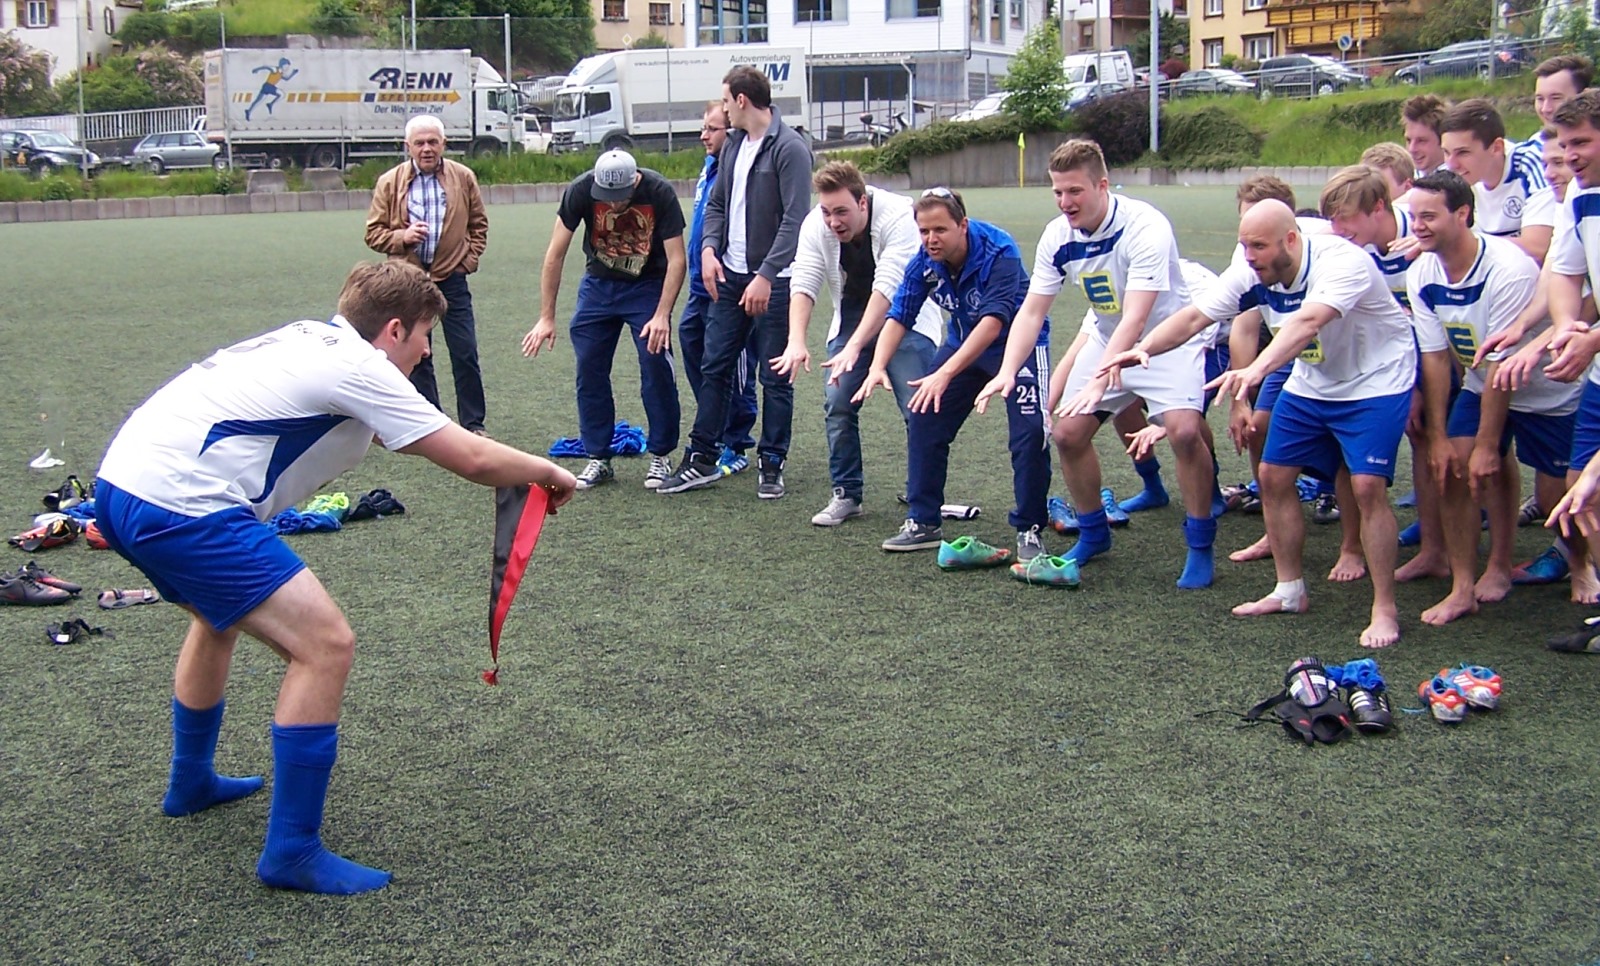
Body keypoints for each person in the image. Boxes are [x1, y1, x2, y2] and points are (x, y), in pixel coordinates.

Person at [92, 260, 577, 895]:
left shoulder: (311, 338)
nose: (427, 350)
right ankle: (291, 851)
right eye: (425, 335)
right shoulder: (361, 366)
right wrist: (549, 471)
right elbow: (473, 456)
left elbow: (388, 432)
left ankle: (191, 782)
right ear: (395, 329)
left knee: (216, 621)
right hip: (182, 507)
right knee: (325, 645)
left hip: (120, 486)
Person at [1203, 201, 1450, 648]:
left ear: (1290, 240)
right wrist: (1140, 349)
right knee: (1272, 475)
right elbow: (1195, 318)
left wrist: (1255, 370)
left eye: (1257, 245)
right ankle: (1289, 589)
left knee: (1368, 487)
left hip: (1376, 379)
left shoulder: (1343, 261)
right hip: (1315, 380)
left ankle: (1384, 608)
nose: (1249, 255)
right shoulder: (1253, 271)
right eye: (1244, 245)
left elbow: (1309, 322)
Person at [975, 139, 1214, 585]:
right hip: (1108, 338)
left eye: (1075, 191)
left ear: (1102, 185)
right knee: (1068, 433)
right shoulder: (1057, 235)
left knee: (1183, 431)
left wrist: (1099, 383)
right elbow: (1031, 311)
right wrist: (1007, 371)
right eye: (1058, 193)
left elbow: (1137, 319)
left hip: (1165, 342)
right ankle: (1094, 531)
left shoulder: (1146, 226)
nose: (1065, 203)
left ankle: (1201, 544)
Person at [1404, 170, 1574, 624]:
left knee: (1564, 491)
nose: (1417, 226)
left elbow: (1505, 362)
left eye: (1428, 216)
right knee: (1455, 470)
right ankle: (1464, 586)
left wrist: (1485, 444)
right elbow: (1437, 360)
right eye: (1412, 216)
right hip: (1482, 386)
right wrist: (1440, 437)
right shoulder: (1421, 271)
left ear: (1462, 215)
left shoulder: (1508, 268)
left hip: (1547, 389)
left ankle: (1573, 570)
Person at [861, 187, 1051, 559]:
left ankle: (1029, 528)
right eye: (924, 231)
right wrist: (877, 365)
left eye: (940, 230)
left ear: (962, 225)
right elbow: (900, 313)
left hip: (1016, 347)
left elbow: (994, 322)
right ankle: (923, 521)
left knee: (1029, 433)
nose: (931, 239)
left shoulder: (1000, 251)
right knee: (924, 414)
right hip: (963, 341)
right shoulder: (924, 262)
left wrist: (944, 373)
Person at [658, 65, 812, 499]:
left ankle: (772, 462)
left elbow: (795, 219)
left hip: (776, 282)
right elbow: (718, 204)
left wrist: (765, 276)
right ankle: (702, 457)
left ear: (741, 101)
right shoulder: (733, 147)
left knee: (775, 375)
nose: (723, 108)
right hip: (729, 276)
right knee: (715, 365)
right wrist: (708, 250)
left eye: (725, 101)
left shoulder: (790, 148)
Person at [769, 161, 942, 527]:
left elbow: (890, 286)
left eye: (842, 212)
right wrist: (795, 341)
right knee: (838, 402)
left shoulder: (899, 216)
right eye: (827, 212)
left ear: (863, 203)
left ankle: (924, 496)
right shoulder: (817, 223)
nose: (833, 222)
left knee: (918, 408)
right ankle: (846, 494)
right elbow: (805, 277)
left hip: (905, 319)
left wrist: (857, 346)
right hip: (849, 318)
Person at [521, 149, 687, 490]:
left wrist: (661, 315)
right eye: (606, 199)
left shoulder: (659, 192)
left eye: (620, 197)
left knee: (655, 364)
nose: (612, 205)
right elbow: (555, 254)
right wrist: (545, 317)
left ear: (634, 181)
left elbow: (677, 259)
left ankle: (661, 453)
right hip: (598, 286)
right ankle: (599, 456)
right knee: (589, 369)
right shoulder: (581, 190)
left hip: (647, 286)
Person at [364, 115, 490, 435]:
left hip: (452, 279)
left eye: (433, 141)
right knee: (417, 355)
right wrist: (401, 238)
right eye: (419, 143)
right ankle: (429, 422)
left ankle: (473, 424)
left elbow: (479, 225)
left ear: (444, 144)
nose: (427, 148)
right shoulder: (389, 182)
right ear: (408, 147)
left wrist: (468, 261)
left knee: (465, 352)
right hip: (408, 284)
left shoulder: (463, 177)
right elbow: (373, 233)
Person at [1532, 90, 1600, 603]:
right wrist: (1566, 329)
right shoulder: (1578, 198)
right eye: (1563, 144)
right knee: (1583, 495)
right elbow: (1565, 273)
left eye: (1581, 143)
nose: (1570, 156)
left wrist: (1589, 336)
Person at [680, 100, 760, 477]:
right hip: (700, 282)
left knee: (733, 361)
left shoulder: (739, 169)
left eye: (711, 129)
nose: (703, 135)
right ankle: (714, 425)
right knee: (692, 343)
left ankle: (736, 441)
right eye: (704, 127)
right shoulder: (709, 166)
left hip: (727, 284)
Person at [1440, 98, 1552, 262]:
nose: (1451, 164)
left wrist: (1456, 243)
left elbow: (1537, 248)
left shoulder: (1532, 163)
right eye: (1446, 152)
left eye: (1463, 153)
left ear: (1497, 147)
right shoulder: (1453, 173)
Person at [1528, 54, 1593, 151]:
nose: (1545, 109)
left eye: (1556, 98)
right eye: (1540, 99)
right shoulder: (1531, 149)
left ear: (1584, 97)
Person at [1402, 94, 1449, 179]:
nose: (1412, 149)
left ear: (1443, 141)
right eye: (1408, 140)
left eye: (1421, 141)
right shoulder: (1404, 180)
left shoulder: (1464, 184)